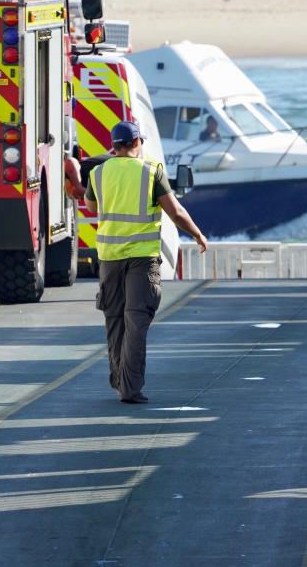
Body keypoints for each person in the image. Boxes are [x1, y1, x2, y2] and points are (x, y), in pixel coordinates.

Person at [84, 120, 208, 404]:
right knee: (136, 322)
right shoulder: (151, 171)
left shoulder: (99, 173)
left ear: (114, 146)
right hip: (141, 259)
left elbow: (91, 207)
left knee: (114, 320)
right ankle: (130, 387)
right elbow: (175, 211)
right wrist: (197, 234)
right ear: (138, 143)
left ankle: (119, 380)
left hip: (109, 258)